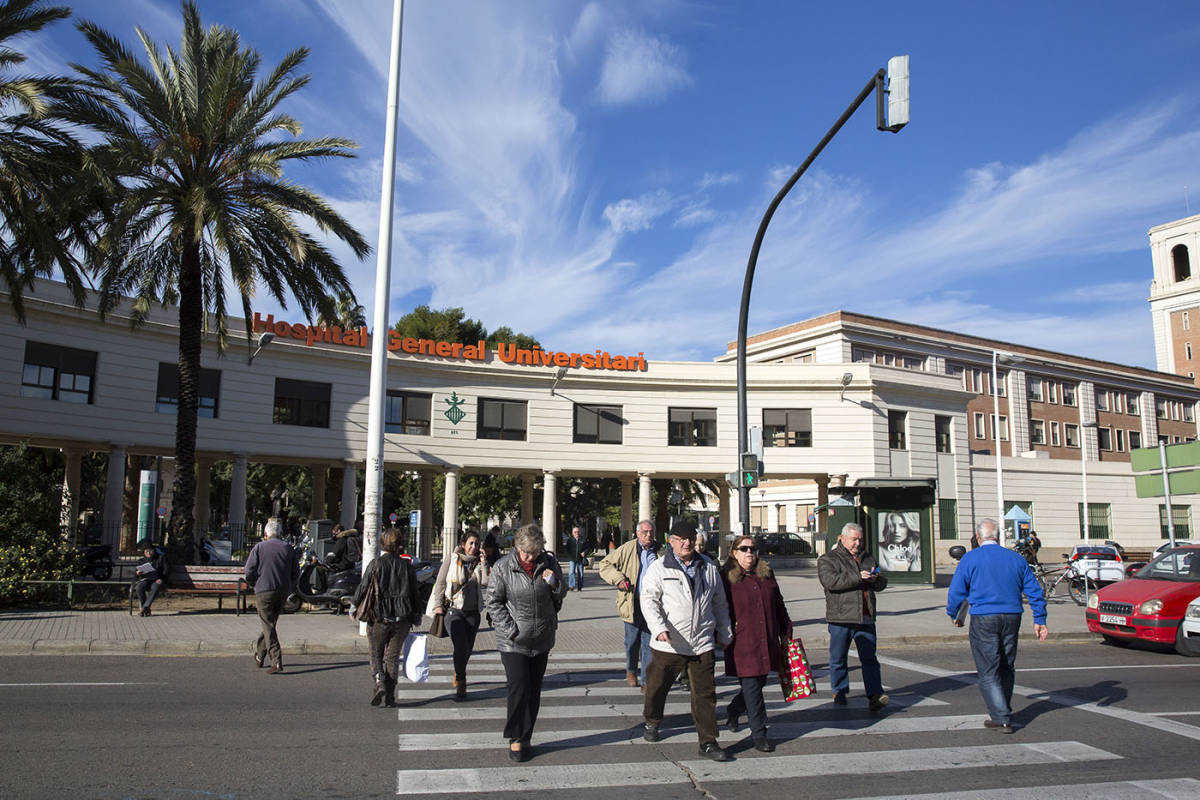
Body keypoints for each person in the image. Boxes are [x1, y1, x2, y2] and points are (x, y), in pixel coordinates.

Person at [640, 521, 733, 763]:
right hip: (669, 643)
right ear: (671, 541)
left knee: (705, 694)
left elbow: (719, 603)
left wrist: (724, 631)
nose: (686, 542)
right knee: (657, 687)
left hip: (701, 642)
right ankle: (652, 720)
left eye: (690, 537)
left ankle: (708, 741)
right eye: (680, 538)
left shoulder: (709, 567)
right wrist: (658, 628)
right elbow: (649, 601)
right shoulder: (659, 568)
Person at [946, 518, 1049, 733]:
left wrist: (953, 613)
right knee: (1006, 664)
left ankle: (1001, 716)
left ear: (977, 537)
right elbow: (1034, 590)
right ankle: (1004, 707)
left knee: (988, 668)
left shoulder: (970, 558)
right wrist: (1039, 619)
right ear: (998, 537)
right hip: (1012, 615)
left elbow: (957, 591)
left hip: (984, 616)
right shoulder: (1016, 559)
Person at [485, 523, 566, 762]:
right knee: (518, 687)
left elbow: (561, 593)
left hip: (541, 637)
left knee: (533, 689)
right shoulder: (503, 568)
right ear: (517, 548)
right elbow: (493, 602)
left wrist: (554, 584)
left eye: (535, 552)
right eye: (526, 552)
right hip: (514, 640)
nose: (530, 557)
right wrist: (511, 630)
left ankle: (527, 734)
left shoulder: (549, 564)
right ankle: (516, 738)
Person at [721, 535, 792, 752]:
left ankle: (734, 710)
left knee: (758, 683)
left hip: (767, 639)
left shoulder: (766, 574)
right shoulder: (726, 577)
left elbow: (778, 603)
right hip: (743, 641)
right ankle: (759, 733)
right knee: (752, 688)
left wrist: (786, 628)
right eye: (744, 549)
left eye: (752, 549)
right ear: (734, 552)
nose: (749, 553)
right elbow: (719, 608)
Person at [817, 522, 889, 711]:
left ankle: (875, 694)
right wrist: (859, 577)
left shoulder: (867, 558)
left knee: (869, 659)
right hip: (841, 617)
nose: (857, 543)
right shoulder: (828, 559)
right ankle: (839, 691)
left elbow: (881, 582)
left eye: (859, 539)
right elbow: (831, 582)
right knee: (838, 657)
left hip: (865, 617)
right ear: (842, 538)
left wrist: (876, 579)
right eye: (854, 539)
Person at [353, 527, 423, 708]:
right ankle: (391, 696)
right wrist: (417, 615)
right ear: (399, 545)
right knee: (392, 657)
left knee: (375, 653)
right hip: (402, 619)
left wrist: (354, 606)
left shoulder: (376, 564)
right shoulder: (407, 566)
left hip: (379, 618)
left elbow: (363, 587)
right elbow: (415, 593)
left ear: (382, 543)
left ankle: (379, 682)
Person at [431, 530, 491, 700]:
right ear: (463, 544)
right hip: (454, 610)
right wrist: (437, 606)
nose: (473, 547)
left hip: (472, 612)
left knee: (468, 649)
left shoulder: (479, 563)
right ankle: (461, 681)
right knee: (460, 646)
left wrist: (484, 563)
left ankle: (459, 672)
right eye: (471, 543)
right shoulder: (452, 559)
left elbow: (486, 582)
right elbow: (440, 583)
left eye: (476, 544)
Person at [598, 519, 659, 688]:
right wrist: (618, 579)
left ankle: (647, 681)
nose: (648, 535)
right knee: (632, 641)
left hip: (652, 605)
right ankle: (631, 670)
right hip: (632, 602)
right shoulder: (628, 548)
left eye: (650, 532)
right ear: (637, 534)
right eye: (644, 532)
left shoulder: (659, 551)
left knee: (648, 643)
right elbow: (605, 564)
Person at [243, 518, 299, 674]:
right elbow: (296, 572)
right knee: (270, 624)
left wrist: (254, 583)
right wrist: (290, 587)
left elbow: (249, 571)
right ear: (279, 533)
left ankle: (276, 660)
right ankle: (260, 656)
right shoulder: (288, 548)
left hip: (264, 590)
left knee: (267, 624)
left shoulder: (259, 547)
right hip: (282, 591)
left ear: (266, 533)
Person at [133, 542, 170, 617]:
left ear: (154, 551)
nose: (148, 553)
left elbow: (166, 570)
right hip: (145, 580)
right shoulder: (141, 561)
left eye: (150, 551)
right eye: (146, 551)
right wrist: (138, 573)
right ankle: (146, 608)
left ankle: (144, 608)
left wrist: (161, 578)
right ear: (144, 552)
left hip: (157, 580)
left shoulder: (161, 558)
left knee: (155, 587)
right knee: (139, 588)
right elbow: (136, 574)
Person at [564, 526, 586, 592]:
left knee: (581, 574)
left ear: (579, 532)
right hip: (572, 559)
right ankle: (571, 586)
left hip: (580, 559)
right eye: (575, 532)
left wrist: (585, 552)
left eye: (578, 532)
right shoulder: (570, 540)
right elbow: (567, 549)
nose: (576, 533)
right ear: (572, 533)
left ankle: (580, 587)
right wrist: (570, 556)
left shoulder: (583, 540)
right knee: (571, 572)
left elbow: (587, 548)